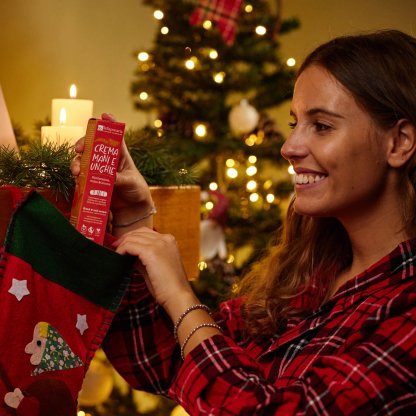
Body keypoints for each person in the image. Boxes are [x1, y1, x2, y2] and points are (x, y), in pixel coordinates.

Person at [72, 29, 416, 415]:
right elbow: (166, 362)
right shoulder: (309, 277)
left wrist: (182, 297)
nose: (290, 148)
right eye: (294, 123)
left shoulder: (405, 310)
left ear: (399, 143)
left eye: (321, 126)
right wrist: (134, 220)